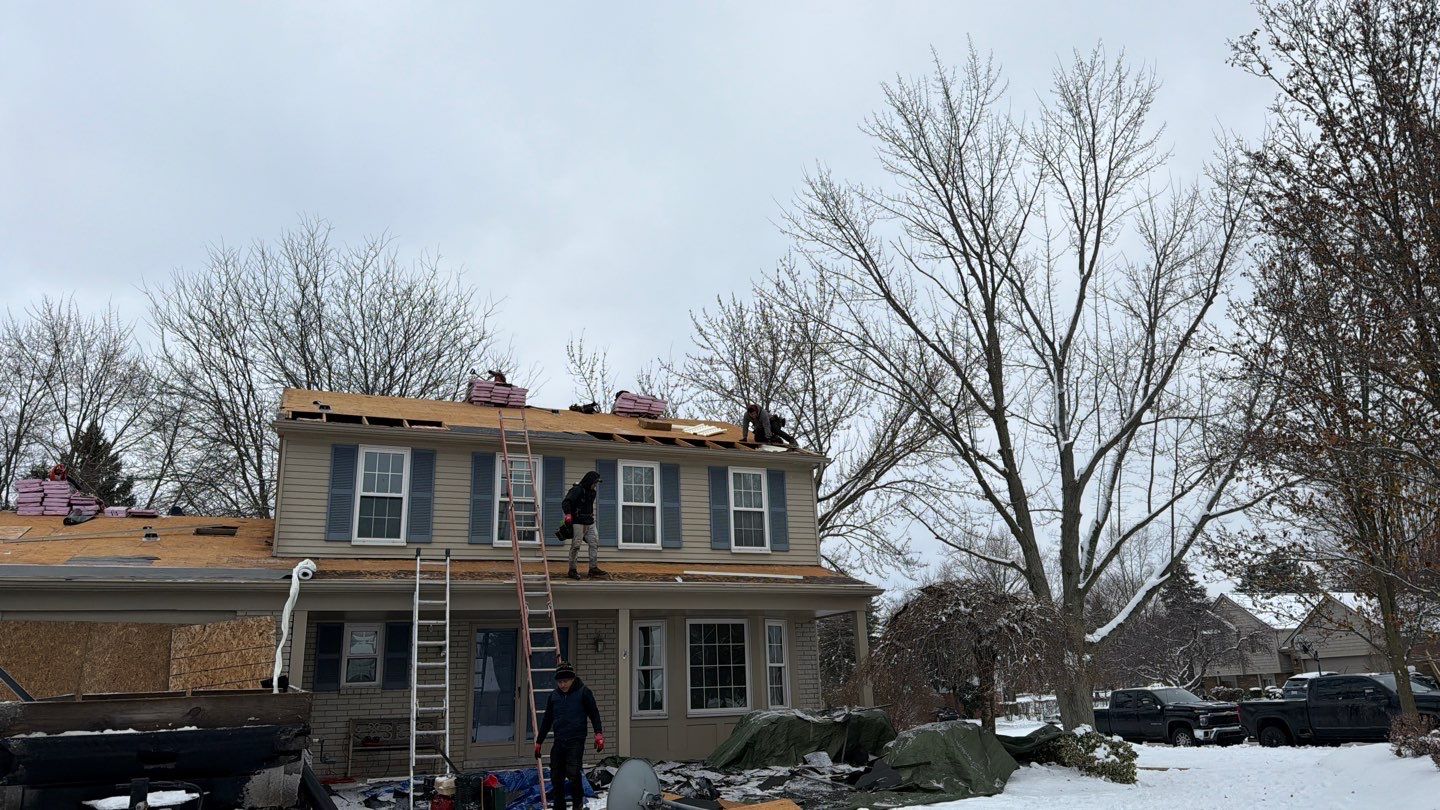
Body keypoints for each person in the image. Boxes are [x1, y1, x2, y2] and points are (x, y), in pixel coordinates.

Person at [534, 662, 604, 810]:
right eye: (559, 682)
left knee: (573, 772)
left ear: (572, 679)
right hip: (560, 740)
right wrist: (539, 741)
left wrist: (598, 733)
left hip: (576, 740)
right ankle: (560, 807)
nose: (562, 685)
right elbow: (547, 720)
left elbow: (594, 714)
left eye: (565, 681)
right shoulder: (554, 696)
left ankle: (577, 805)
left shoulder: (583, 692)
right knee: (556, 776)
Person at [562, 470, 605, 579]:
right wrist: (568, 514)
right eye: (594, 483)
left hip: (590, 522)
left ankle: (593, 568)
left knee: (594, 543)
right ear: (589, 481)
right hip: (578, 522)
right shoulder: (577, 490)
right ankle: (572, 570)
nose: (595, 485)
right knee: (576, 546)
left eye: (596, 483)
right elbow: (566, 502)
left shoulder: (592, 492)